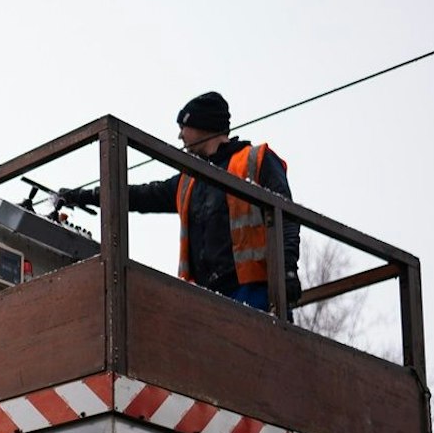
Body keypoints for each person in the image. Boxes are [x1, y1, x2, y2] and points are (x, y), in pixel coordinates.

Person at [62, 92, 298, 312]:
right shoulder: (189, 181)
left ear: (202, 125)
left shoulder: (255, 160)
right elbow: (141, 195)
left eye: (183, 126)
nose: (180, 135)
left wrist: (287, 272)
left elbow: (286, 215)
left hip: (254, 292)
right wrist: (85, 196)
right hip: (204, 298)